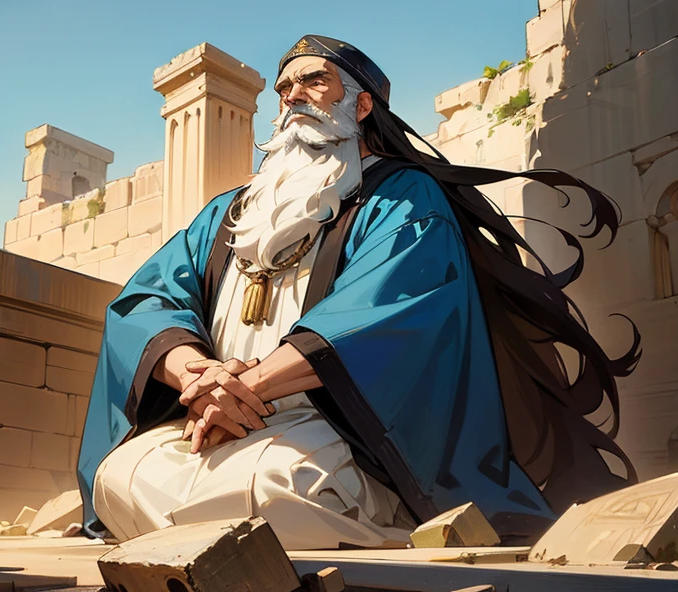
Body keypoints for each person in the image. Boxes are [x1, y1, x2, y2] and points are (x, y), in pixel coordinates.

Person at [76, 35, 641, 551]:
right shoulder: (228, 212)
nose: (294, 95)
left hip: (338, 425)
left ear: (362, 104)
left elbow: (385, 310)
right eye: (284, 89)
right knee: (118, 479)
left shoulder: (401, 196)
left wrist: (244, 389)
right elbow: (146, 301)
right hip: (215, 415)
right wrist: (199, 379)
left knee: (278, 489)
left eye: (314, 80)